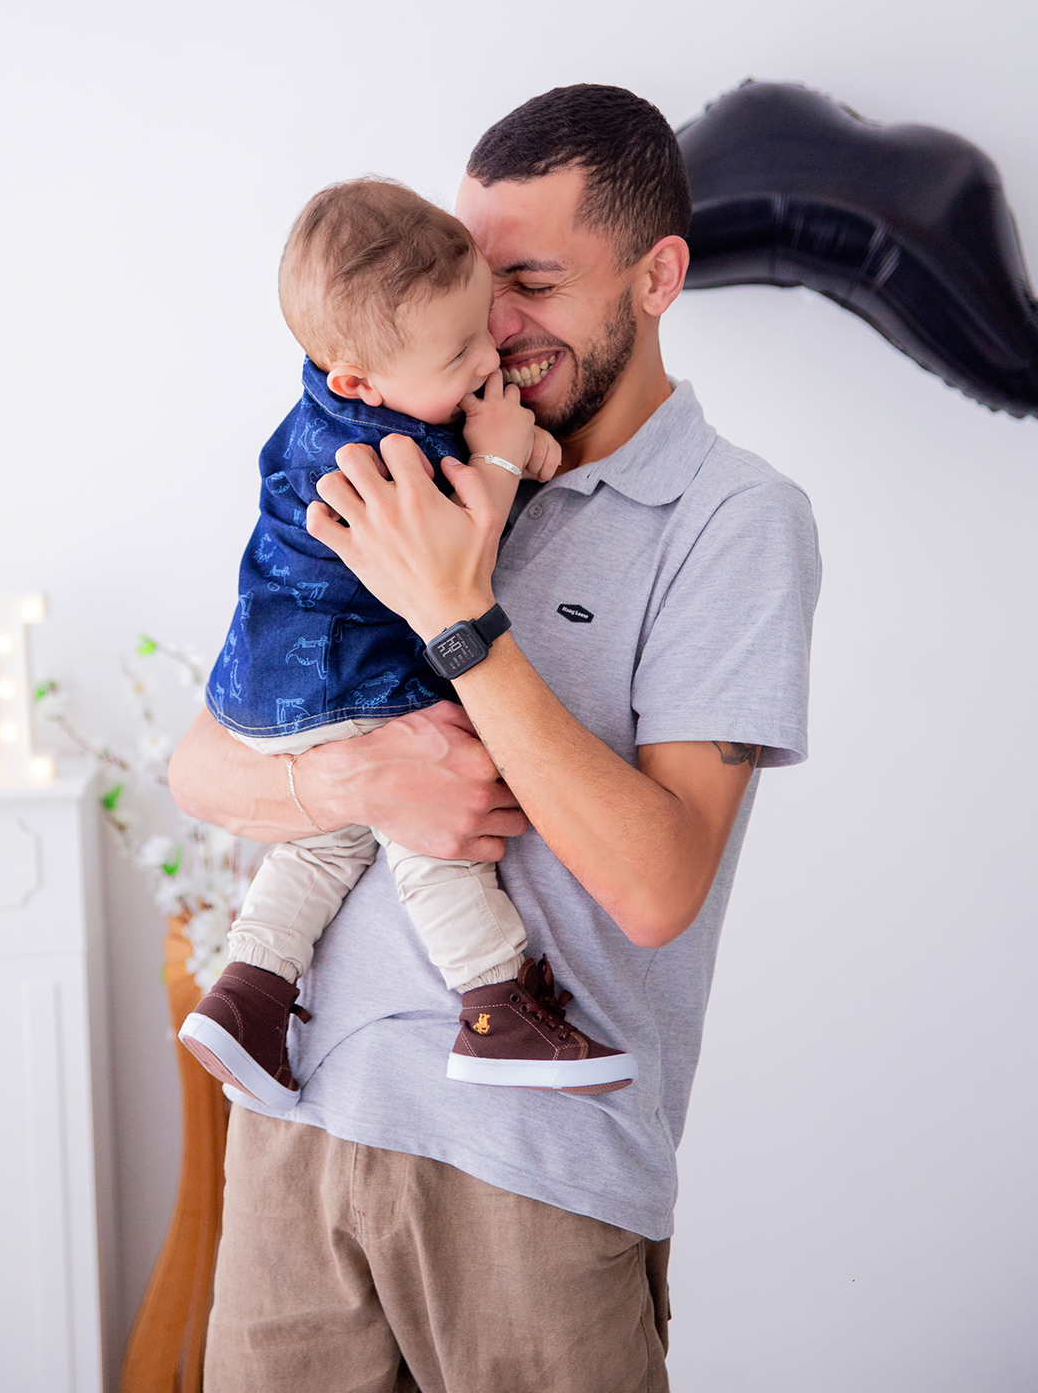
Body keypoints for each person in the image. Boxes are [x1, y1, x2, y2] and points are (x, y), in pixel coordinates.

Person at [171, 83, 821, 1393]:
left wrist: (458, 616)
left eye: (530, 281)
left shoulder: (732, 519)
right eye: (475, 276)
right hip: (297, 1131)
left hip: (532, 1178)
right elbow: (203, 765)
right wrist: (359, 775)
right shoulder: (407, 450)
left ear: (657, 276)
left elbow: (655, 885)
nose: (491, 326)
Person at [178, 177, 635, 1109]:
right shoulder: (386, 452)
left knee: (325, 843)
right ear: (359, 380)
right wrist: (505, 455)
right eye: (462, 348)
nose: (491, 351)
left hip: (270, 685)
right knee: (436, 828)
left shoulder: (336, 404)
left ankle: (249, 994)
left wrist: (501, 435)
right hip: (343, 676)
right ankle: (494, 1001)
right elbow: (456, 559)